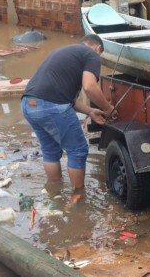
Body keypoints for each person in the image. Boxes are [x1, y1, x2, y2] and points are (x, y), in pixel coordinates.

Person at [21, 34, 116, 191]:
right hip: (50, 106)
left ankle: (55, 190)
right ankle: (78, 196)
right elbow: (90, 87)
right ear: (98, 48)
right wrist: (108, 109)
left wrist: (91, 111)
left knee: (50, 151)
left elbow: (66, 98)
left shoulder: (67, 52)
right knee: (78, 150)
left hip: (29, 104)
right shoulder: (91, 54)